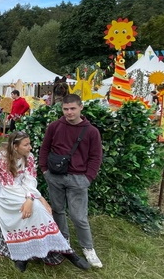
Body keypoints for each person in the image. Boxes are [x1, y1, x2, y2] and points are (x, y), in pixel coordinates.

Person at [0, 131, 90, 272]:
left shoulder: (29, 157)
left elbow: (30, 179)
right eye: (26, 144)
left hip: (24, 190)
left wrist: (32, 198)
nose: (30, 147)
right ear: (15, 146)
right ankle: (25, 254)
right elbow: (9, 185)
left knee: (37, 207)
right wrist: (35, 198)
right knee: (36, 207)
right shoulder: (3, 159)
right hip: (6, 192)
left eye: (29, 143)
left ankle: (63, 249)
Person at [39, 94, 103, 268]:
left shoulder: (91, 131)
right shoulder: (54, 126)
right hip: (55, 176)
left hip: (78, 178)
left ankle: (88, 248)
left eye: (72, 108)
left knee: (79, 216)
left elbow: (96, 156)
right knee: (58, 210)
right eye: (65, 109)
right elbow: (44, 147)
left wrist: (88, 178)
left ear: (81, 107)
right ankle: (63, 239)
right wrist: (44, 170)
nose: (69, 112)